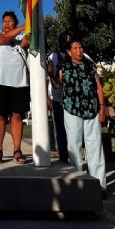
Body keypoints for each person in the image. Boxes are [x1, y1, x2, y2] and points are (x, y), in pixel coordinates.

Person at [54, 37, 107, 197]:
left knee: (95, 146)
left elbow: (98, 87)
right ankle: (77, 183)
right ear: (69, 52)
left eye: (81, 48)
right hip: (72, 108)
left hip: (91, 109)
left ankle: (99, 185)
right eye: (75, 48)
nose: (79, 51)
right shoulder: (64, 65)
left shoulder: (90, 65)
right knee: (74, 146)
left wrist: (102, 107)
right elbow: (57, 84)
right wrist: (51, 73)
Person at [0, 10, 29, 164]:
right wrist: (23, 26)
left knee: (17, 116)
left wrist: (30, 27)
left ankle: (17, 150)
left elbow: (25, 43)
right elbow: (1, 39)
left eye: (10, 21)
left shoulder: (19, 37)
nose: (7, 23)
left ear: (15, 23)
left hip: (19, 81)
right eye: (4, 21)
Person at [46, 35, 70, 163]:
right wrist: (46, 97)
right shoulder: (52, 57)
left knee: (72, 129)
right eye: (63, 41)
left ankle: (73, 154)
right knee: (59, 128)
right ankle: (62, 156)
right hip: (57, 98)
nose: (66, 43)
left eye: (68, 40)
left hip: (73, 99)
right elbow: (47, 78)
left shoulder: (76, 54)